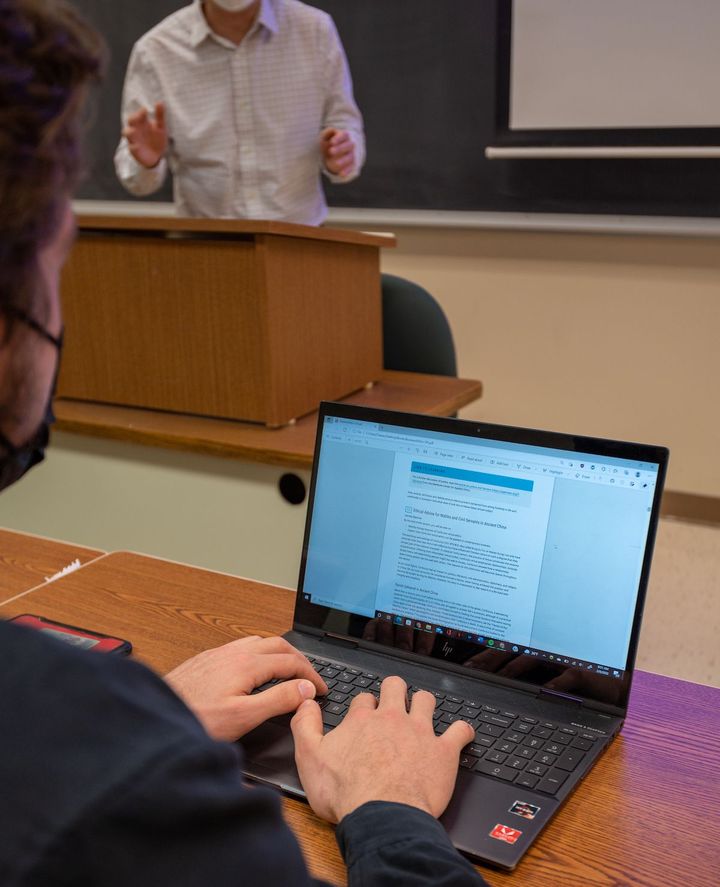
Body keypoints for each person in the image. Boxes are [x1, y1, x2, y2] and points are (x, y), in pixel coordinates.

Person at [0, 2, 487, 884]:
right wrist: (389, 812)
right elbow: (137, 175)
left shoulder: (315, 32)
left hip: (307, 271)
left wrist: (145, 720)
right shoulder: (103, 788)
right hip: (209, 286)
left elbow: (349, 134)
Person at [114, 0, 365, 225]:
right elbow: (137, 179)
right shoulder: (157, 50)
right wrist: (146, 161)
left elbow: (344, 121)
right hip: (208, 246)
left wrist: (343, 152)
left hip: (301, 241)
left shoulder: (314, 30)